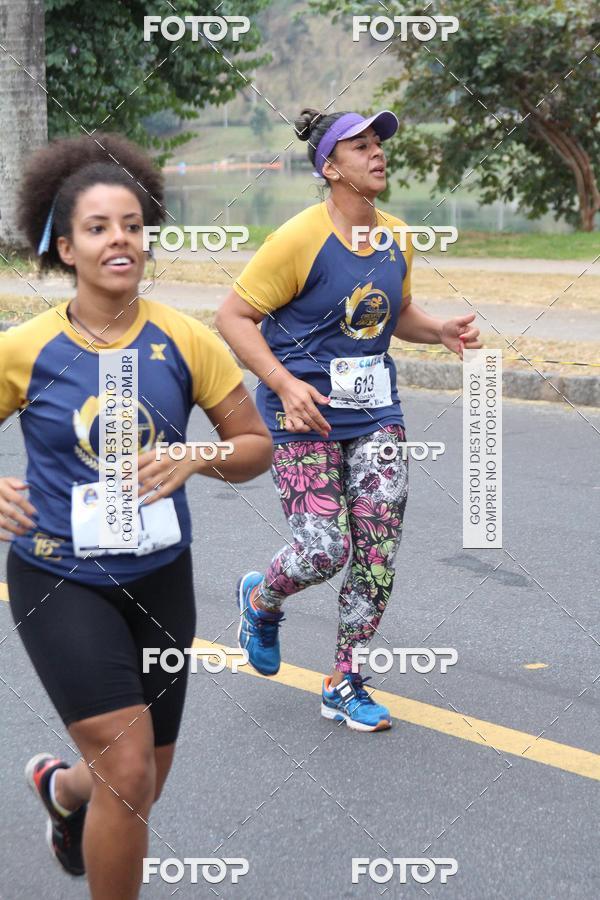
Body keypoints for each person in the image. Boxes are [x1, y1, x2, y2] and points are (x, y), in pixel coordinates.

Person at [0, 132, 272, 898]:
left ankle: (62, 793)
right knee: (128, 767)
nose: (119, 239)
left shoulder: (186, 341)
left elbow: (255, 446)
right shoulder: (24, 349)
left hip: (160, 579)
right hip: (59, 579)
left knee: (143, 775)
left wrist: (199, 457)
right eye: (97, 227)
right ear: (64, 247)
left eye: (131, 224)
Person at [216, 107, 481, 733]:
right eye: (360, 147)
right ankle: (262, 597)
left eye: (379, 144)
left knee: (377, 551)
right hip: (300, 415)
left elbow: (395, 313)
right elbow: (231, 319)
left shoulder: (395, 236)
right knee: (326, 547)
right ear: (331, 168)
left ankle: (346, 680)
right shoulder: (297, 240)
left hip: (376, 415)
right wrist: (282, 384)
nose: (377, 154)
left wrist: (437, 328)